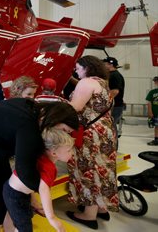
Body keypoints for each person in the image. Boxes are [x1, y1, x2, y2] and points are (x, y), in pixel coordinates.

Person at [0, 99, 79, 232]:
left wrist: (33, 197)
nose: (63, 134)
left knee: (4, 186)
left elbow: (25, 165)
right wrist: (39, 197)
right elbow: (24, 171)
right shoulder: (29, 127)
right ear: (55, 118)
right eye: (64, 129)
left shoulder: (34, 109)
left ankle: (8, 228)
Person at [66, 55, 117, 230]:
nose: (76, 71)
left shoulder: (86, 82)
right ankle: (101, 208)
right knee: (103, 169)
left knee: (90, 170)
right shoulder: (102, 82)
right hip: (106, 131)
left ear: (87, 68)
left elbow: (75, 107)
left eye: (78, 68)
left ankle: (89, 215)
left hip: (91, 133)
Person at [4, 128, 74, 232]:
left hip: (13, 191)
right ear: (54, 153)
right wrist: (52, 218)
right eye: (68, 150)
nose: (72, 153)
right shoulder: (49, 168)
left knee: (23, 218)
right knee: (24, 227)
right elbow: (44, 190)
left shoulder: (40, 156)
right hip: (15, 195)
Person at [103, 57, 125, 138]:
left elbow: (115, 91)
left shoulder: (115, 75)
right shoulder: (112, 74)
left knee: (111, 126)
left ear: (110, 64)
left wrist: (105, 102)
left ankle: (113, 145)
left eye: (104, 64)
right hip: (115, 105)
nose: (103, 65)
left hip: (115, 106)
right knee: (111, 125)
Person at [146, 76, 158, 146]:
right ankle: (156, 139)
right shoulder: (152, 92)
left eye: (156, 81)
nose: (155, 82)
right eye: (155, 81)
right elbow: (149, 102)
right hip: (155, 112)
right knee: (157, 126)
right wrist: (150, 111)